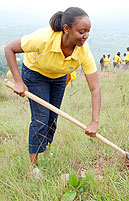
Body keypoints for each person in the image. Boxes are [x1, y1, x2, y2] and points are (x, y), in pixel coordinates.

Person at [4, 7, 101, 174]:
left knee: (52, 118)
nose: (85, 36)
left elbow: (95, 88)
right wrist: (18, 82)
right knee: (41, 117)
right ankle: (33, 167)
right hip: (35, 73)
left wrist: (94, 122)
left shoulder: (83, 51)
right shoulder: (44, 39)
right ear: (66, 29)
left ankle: (46, 152)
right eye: (81, 31)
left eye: (88, 31)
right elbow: (9, 48)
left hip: (59, 77)